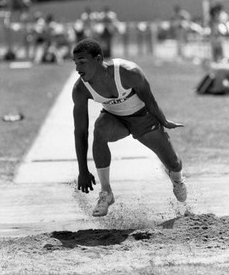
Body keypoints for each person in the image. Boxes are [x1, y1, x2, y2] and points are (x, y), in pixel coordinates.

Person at [72, 38, 187, 217]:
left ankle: (177, 180)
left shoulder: (128, 72)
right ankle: (106, 193)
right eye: (76, 63)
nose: (78, 68)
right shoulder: (80, 89)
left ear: (98, 59)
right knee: (99, 129)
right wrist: (82, 170)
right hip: (115, 119)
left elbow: (150, 100)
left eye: (82, 62)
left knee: (173, 163)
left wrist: (163, 122)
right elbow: (80, 131)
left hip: (143, 118)